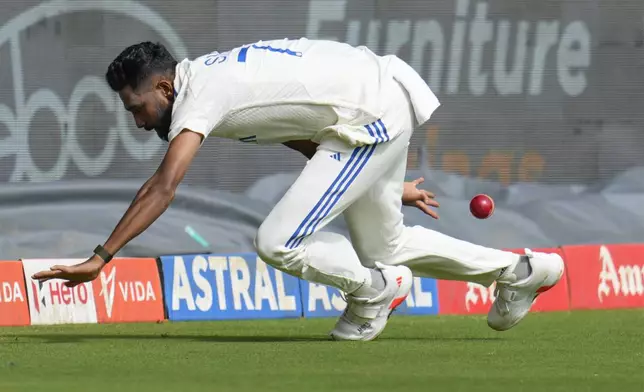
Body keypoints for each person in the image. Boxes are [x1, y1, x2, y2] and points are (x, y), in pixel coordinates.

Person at [33, 38, 564, 340]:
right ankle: (521, 272)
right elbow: (296, 128)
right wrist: (384, 180)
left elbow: (164, 187)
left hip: (369, 116)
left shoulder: (200, 96)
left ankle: (375, 289)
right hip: (373, 107)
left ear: (165, 88)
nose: (139, 122)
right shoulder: (208, 84)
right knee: (386, 245)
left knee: (277, 240)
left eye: (138, 108)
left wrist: (102, 257)